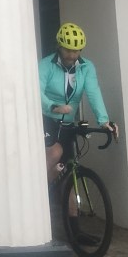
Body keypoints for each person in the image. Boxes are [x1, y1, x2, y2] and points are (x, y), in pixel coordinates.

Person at [39, 23, 117, 185]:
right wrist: (53, 106)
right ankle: (34, 190)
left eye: (76, 51)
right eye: (67, 50)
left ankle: (67, 202)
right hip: (46, 117)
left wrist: (104, 121)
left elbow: (94, 92)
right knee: (55, 153)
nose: (72, 55)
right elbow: (36, 91)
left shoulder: (86, 67)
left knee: (68, 169)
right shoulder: (46, 65)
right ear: (59, 46)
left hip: (67, 122)